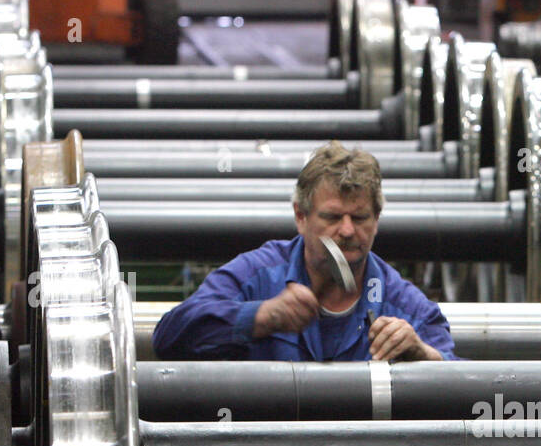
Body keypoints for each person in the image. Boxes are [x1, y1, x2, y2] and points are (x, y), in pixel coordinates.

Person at [152, 141, 456, 362]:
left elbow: (462, 384)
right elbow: (169, 338)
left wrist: (424, 356)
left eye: (360, 218)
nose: (348, 231)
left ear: (377, 220)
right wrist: (262, 316)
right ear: (301, 217)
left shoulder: (403, 305)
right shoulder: (258, 277)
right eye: (332, 217)